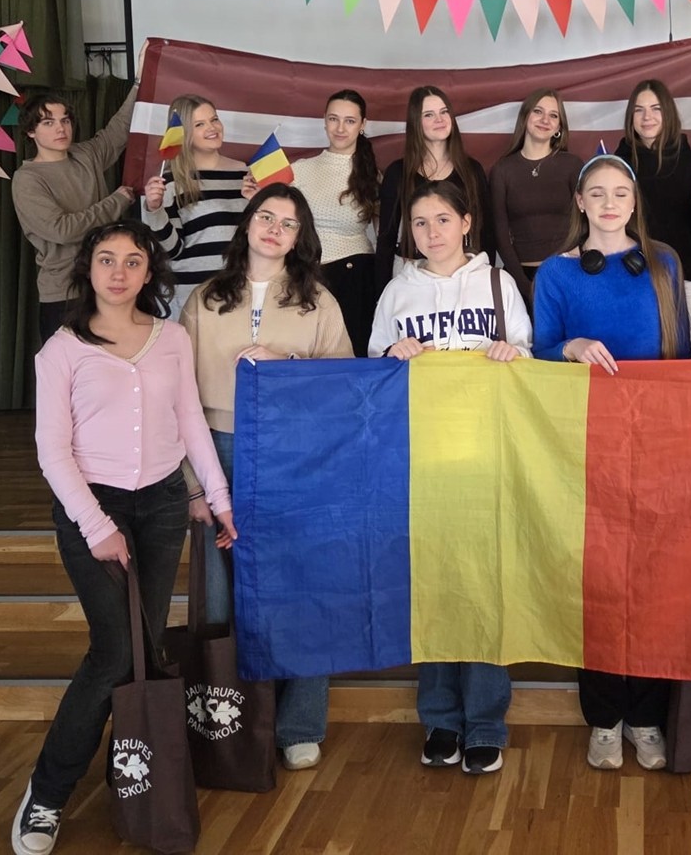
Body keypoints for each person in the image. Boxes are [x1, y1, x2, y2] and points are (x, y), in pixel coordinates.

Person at [11, 220, 236, 855]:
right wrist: (97, 526)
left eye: (132, 261)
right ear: (88, 269)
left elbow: (189, 421)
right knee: (113, 653)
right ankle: (47, 794)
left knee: (144, 650)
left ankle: (131, 773)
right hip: (93, 508)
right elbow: (52, 451)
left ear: (148, 272)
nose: (118, 272)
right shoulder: (61, 350)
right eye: (106, 259)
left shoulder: (172, 338)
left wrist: (215, 498)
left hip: (162, 506)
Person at [180, 183, 351, 772]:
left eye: (289, 222)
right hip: (217, 450)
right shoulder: (204, 298)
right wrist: (194, 483)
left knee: (299, 587)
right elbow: (177, 399)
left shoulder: (318, 301)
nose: (275, 228)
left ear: (301, 237)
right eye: (266, 216)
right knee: (219, 594)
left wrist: (291, 363)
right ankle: (231, 725)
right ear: (247, 223)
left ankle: (298, 724)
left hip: (293, 453)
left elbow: (342, 383)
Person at [368, 178, 533, 776]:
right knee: (433, 585)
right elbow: (374, 369)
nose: (431, 232)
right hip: (423, 458)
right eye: (419, 222)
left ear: (466, 223)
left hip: (486, 454)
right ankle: (440, 720)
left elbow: (528, 359)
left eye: (442, 219)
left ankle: (486, 722)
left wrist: (512, 353)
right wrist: (393, 357)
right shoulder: (397, 291)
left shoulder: (497, 284)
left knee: (484, 586)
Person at [531, 153, 688, 772]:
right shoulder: (556, 272)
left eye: (620, 192)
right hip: (584, 440)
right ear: (579, 202)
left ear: (634, 200)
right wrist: (568, 346)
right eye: (596, 193)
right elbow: (539, 353)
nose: (609, 203)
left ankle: (646, 716)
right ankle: (603, 716)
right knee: (595, 579)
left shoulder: (664, 262)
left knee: (650, 579)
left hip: (655, 442)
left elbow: (684, 356)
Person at [11, 86, 139, 343]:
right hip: (65, 294)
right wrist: (117, 201)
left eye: (65, 120)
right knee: (69, 367)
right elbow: (62, 230)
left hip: (109, 288)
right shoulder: (27, 179)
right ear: (31, 131)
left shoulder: (85, 155)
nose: (60, 129)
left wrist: (138, 83)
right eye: (48, 122)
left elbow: (119, 129)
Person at [613, 79, 691, 324]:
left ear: (668, 114)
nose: (647, 117)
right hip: (629, 279)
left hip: (685, 282)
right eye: (639, 110)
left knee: (686, 350)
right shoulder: (617, 166)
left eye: (656, 109)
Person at [141, 94, 250, 320]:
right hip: (190, 295)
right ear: (184, 134)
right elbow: (170, 251)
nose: (212, 128)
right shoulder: (170, 182)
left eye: (214, 119)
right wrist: (154, 209)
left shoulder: (245, 173)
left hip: (239, 289)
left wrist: (258, 202)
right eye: (199, 124)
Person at [375, 86, 494, 289]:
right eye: (429, 115)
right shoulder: (398, 172)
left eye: (444, 112)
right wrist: (381, 294)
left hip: (463, 274)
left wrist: (485, 278)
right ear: (416, 123)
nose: (439, 119)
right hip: (411, 274)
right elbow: (386, 238)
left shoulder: (472, 170)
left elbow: (486, 233)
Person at [290, 90, 381, 355]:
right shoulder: (299, 170)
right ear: (324, 120)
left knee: (353, 357)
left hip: (356, 279)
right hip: (307, 275)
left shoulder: (372, 175)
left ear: (363, 125)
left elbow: (383, 235)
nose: (340, 128)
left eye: (350, 121)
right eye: (334, 119)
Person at [488, 88, 584, 304]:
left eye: (553, 115)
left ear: (559, 127)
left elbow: (586, 222)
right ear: (525, 117)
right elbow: (500, 234)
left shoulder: (572, 165)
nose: (545, 120)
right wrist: (525, 286)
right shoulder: (502, 170)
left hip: (568, 275)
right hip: (521, 279)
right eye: (538, 112)